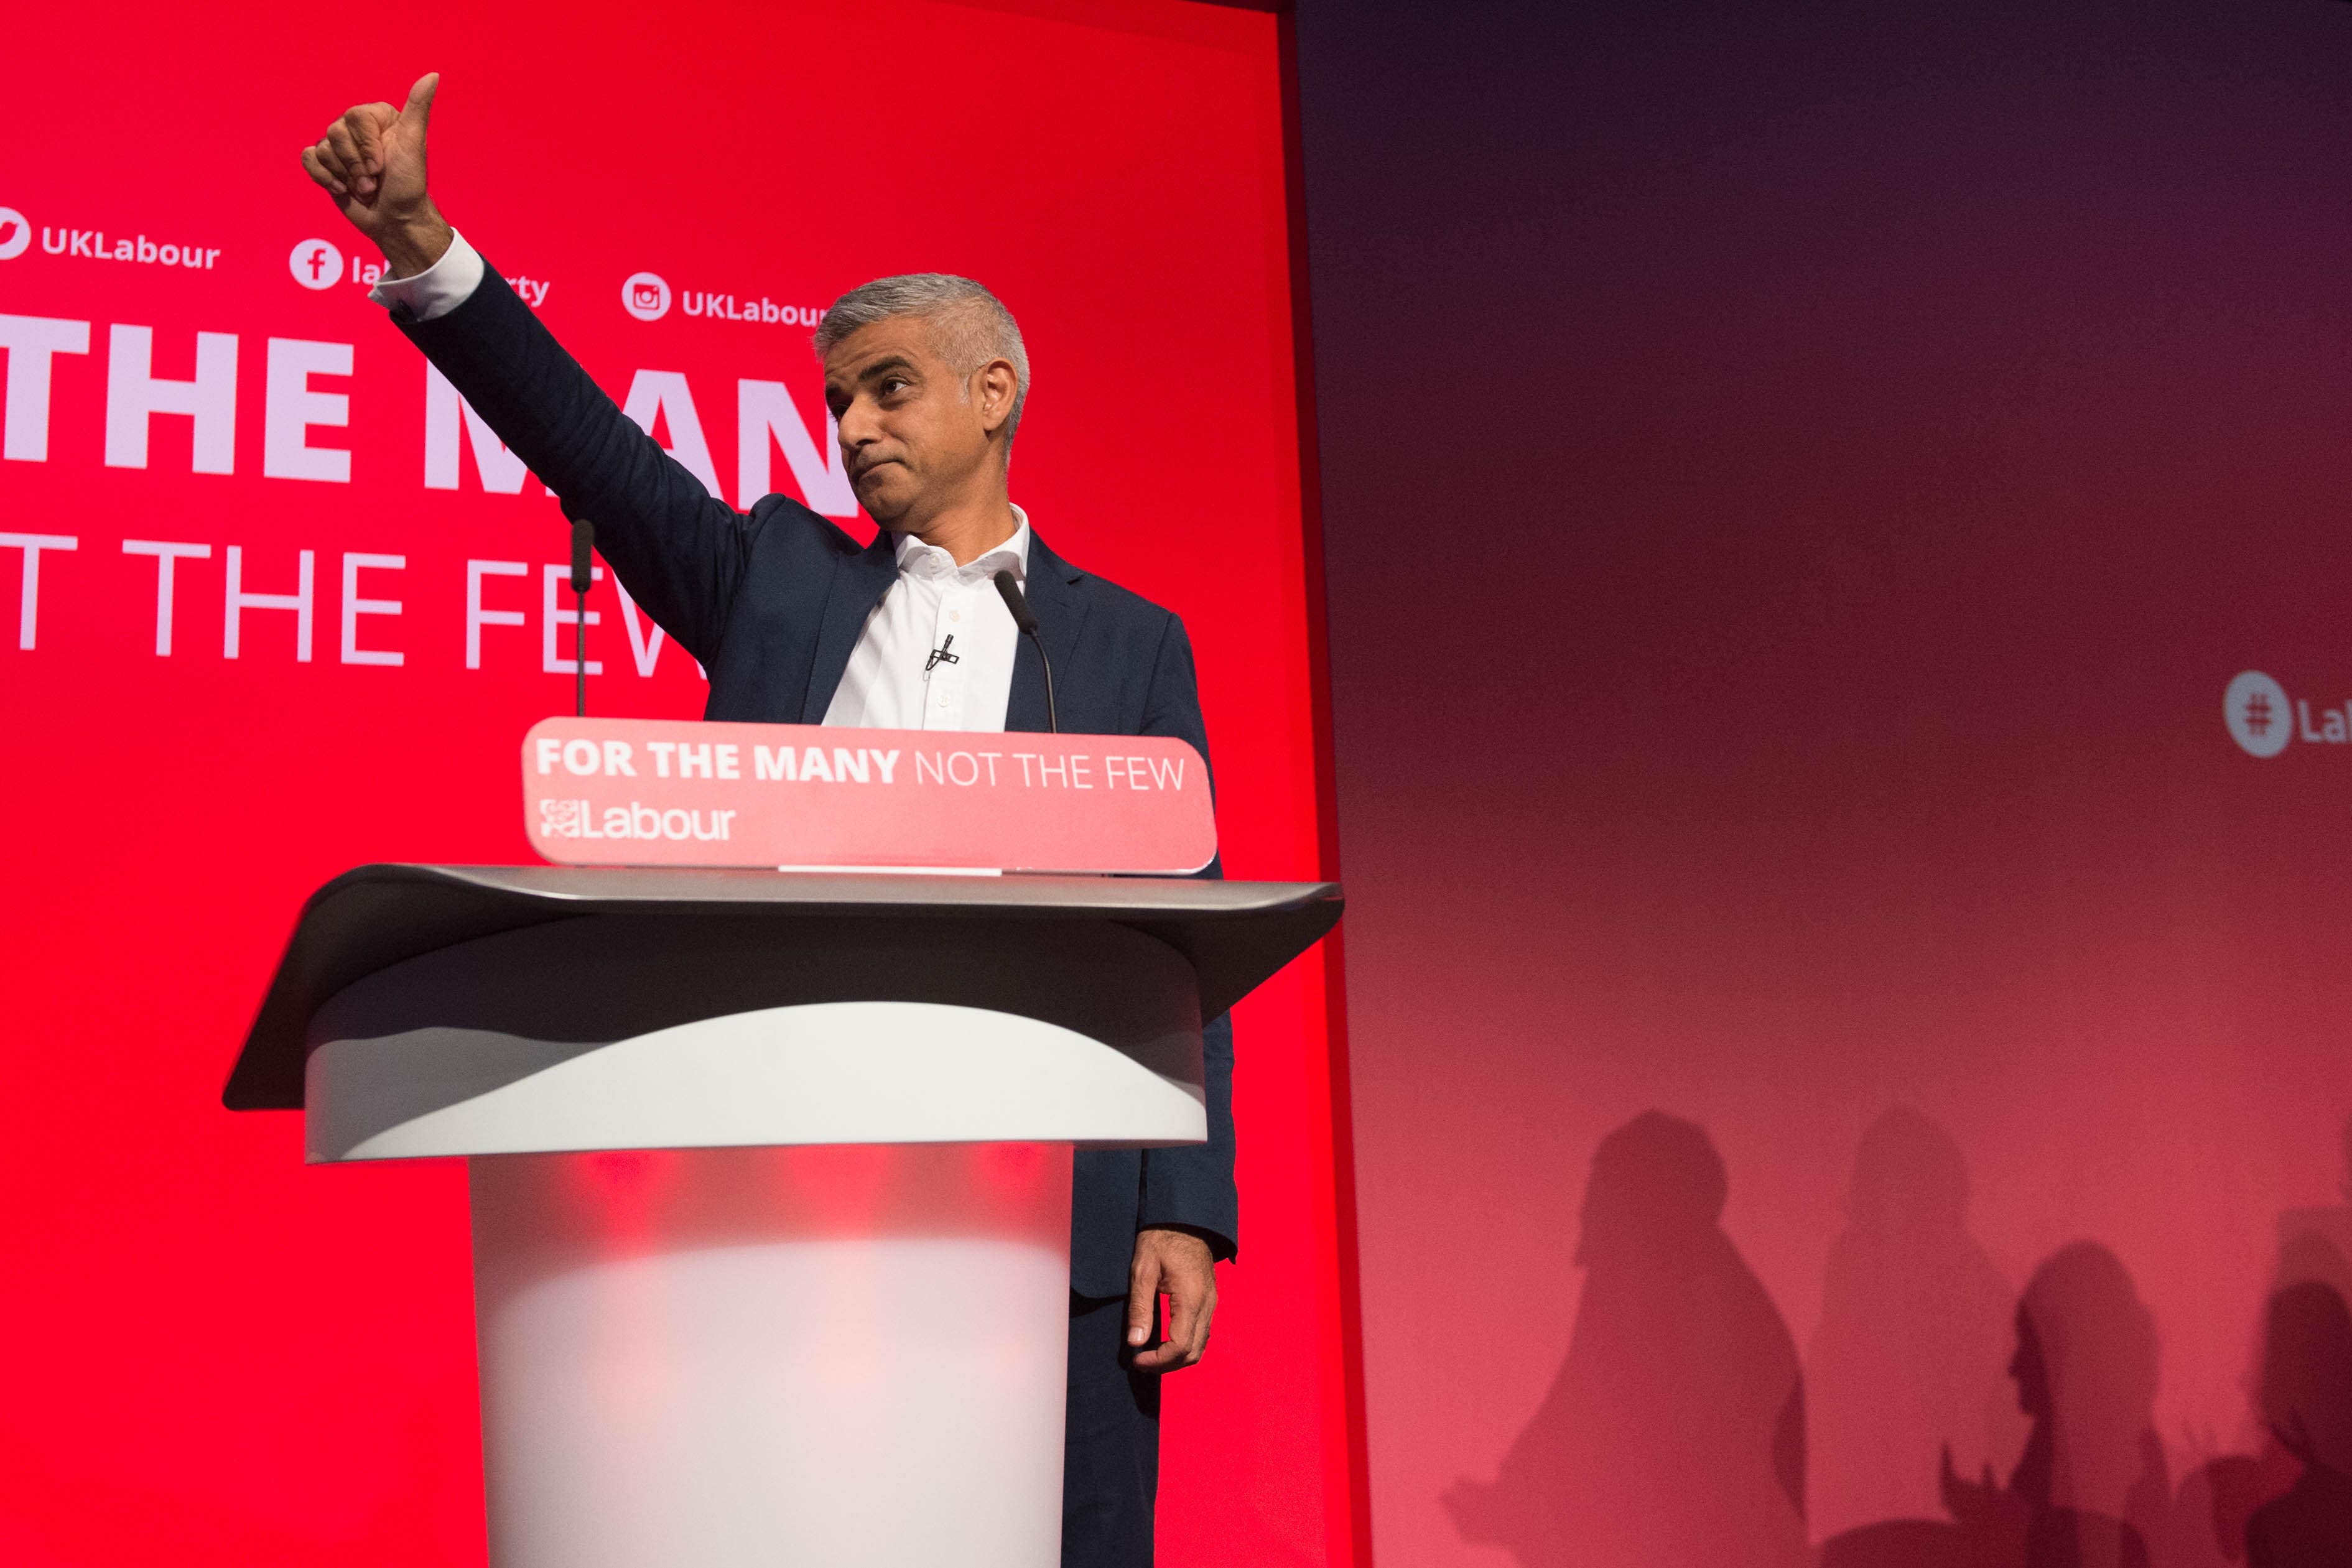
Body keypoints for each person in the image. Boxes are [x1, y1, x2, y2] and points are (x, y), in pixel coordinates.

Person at [299, 74, 1234, 1567]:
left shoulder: (1127, 644)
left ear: (994, 392)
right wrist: (423, 244)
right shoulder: (779, 582)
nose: (852, 426)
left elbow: (1179, 945)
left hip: (1057, 1207)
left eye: (889, 388)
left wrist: (1182, 1206)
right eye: (837, 401)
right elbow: (590, 446)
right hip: (801, 1176)